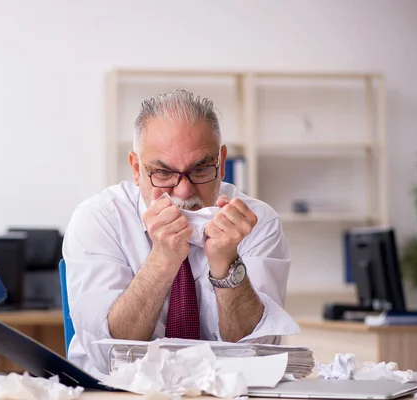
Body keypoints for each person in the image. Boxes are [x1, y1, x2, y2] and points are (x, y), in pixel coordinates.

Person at [62, 89, 299, 377]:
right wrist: (162, 260)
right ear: (136, 169)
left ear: (221, 163)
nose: (184, 191)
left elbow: (258, 356)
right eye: (163, 173)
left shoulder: (256, 222)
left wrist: (227, 266)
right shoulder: (99, 219)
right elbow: (107, 355)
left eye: (200, 170)